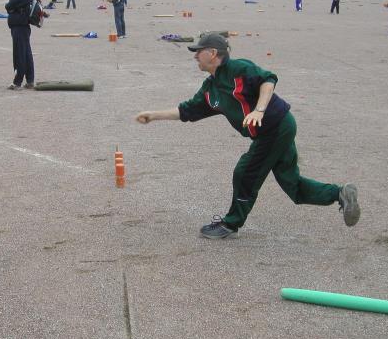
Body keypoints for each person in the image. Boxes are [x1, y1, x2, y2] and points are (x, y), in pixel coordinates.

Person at [135, 33, 361, 239]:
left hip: (275, 126)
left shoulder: (238, 69)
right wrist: (153, 115)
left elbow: (268, 80)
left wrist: (259, 110)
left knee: (245, 172)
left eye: (198, 52)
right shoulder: (210, 88)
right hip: (276, 130)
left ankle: (231, 224)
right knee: (293, 186)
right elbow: (186, 111)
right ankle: (340, 194)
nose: (195, 56)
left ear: (213, 53)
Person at [5, 0, 35, 90]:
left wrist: (12, 6)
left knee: (20, 55)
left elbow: (8, 6)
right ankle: (30, 80)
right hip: (20, 27)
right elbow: (10, 7)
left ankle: (17, 82)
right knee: (26, 54)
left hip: (20, 27)